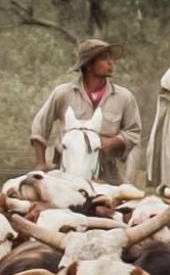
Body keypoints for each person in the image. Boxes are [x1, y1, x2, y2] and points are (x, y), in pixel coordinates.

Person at [28, 37, 143, 182]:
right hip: (62, 167)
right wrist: (40, 163)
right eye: (103, 58)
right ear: (88, 65)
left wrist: (112, 142)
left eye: (110, 58)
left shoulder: (124, 97)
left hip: (106, 170)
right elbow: (39, 125)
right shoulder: (63, 93)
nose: (110, 62)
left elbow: (134, 132)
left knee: (125, 202)